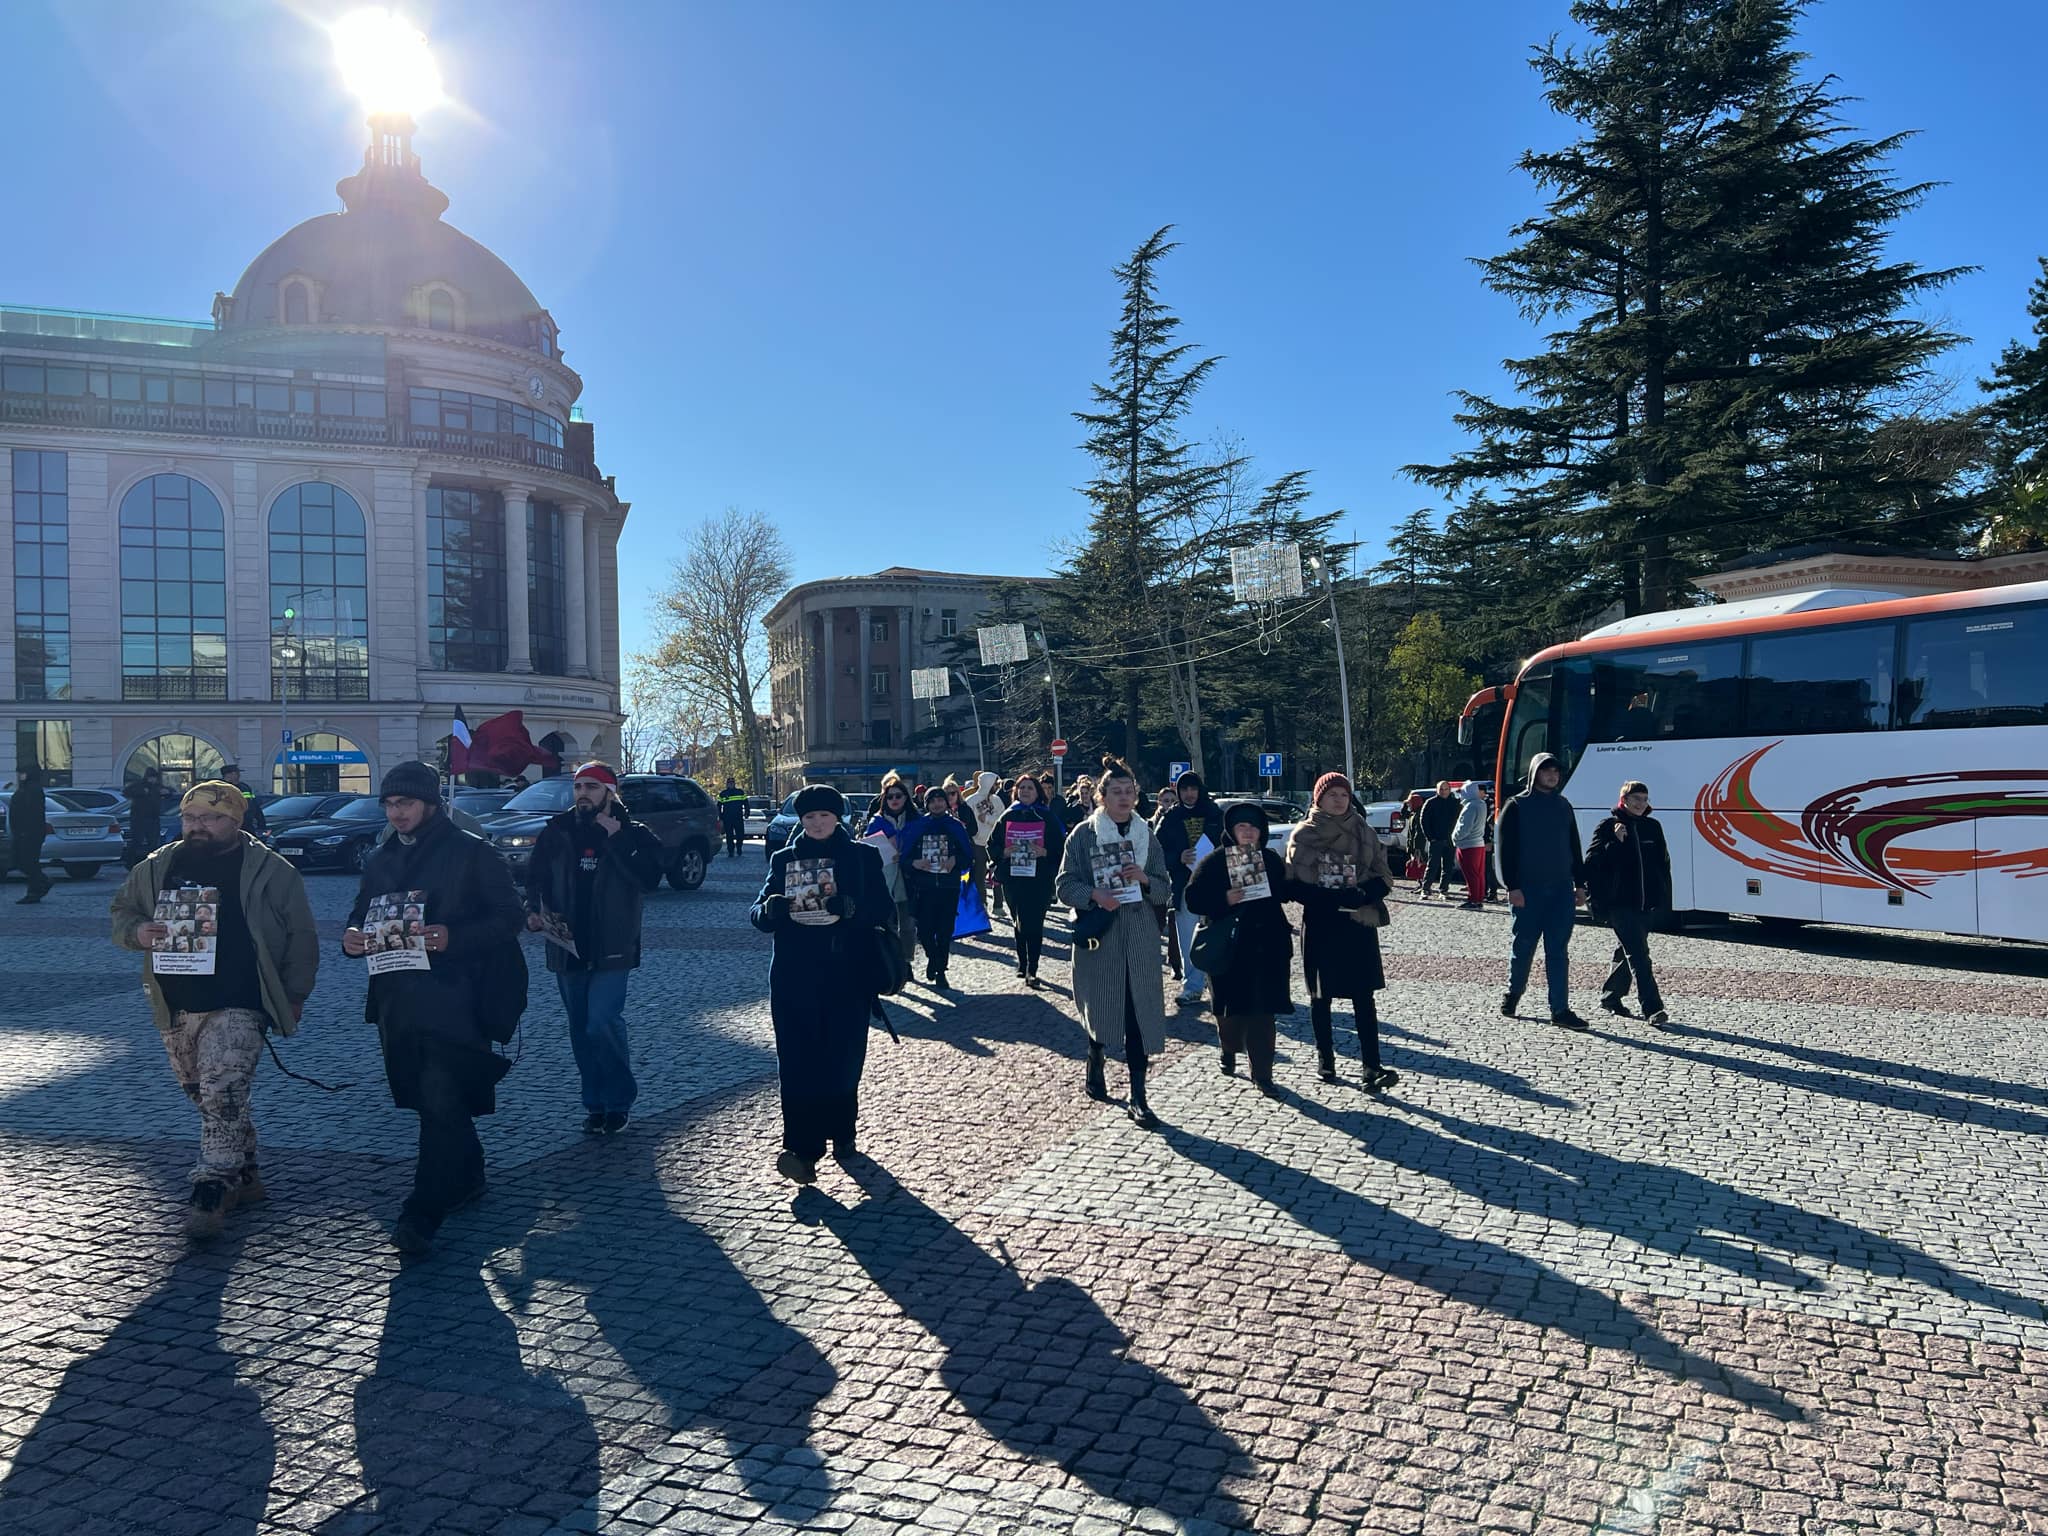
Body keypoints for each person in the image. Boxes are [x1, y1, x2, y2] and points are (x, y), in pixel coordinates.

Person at [109, 780, 319, 1238]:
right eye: (190, 818)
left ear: (235, 820)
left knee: (223, 1089)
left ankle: (211, 1186)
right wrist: (139, 932)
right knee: (204, 1095)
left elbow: (302, 936)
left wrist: (295, 994)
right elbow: (122, 911)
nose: (197, 826)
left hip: (242, 998)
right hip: (178, 1001)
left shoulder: (271, 870)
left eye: (210, 817)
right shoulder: (158, 866)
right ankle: (246, 1175)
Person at [344, 761, 526, 1255]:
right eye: (390, 803)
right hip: (397, 1001)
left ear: (430, 803)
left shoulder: (471, 852)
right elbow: (362, 910)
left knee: (442, 1098)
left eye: (405, 802)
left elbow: (510, 917)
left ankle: (421, 1214)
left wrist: (452, 937)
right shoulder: (381, 857)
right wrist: (352, 937)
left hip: (459, 999)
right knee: (429, 1102)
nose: (397, 812)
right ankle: (468, 1174)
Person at [750, 784, 890, 1183]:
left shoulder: (862, 857)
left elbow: (884, 910)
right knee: (796, 1062)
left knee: (842, 1059)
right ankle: (801, 1149)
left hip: (847, 974)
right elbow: (758, 912)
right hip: (794, 976)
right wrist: (770, 910)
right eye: (809, 817)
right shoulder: (784, 859)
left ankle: (843, 1130)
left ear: (838, 817)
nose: (816, 824)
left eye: (824, 816)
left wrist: (852, 910)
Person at [522, 762, 665, 1135]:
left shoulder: (635, 833)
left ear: (610, 793)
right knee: (581, 1029)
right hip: (566, 944)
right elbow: (534, 879)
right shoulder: (557, 831)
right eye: (578, 786)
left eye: (592, 786)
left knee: (603, 1021)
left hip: (613, 945)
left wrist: (618, 839)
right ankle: (596, 1103)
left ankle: (619, 1101)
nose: (583, 793)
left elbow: (649, 880)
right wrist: (533, 910)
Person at [1056, 757, 1171, 1126]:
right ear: (1102, 797)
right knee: (1102, 1006)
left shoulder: (1146, 835)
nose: (1123, 797)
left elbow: (1165, 887)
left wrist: (1146, 879)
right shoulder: (1083, 835)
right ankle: (1096, 1056)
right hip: (1101, 935)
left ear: (1137, 796)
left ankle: (1139, 1094)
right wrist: (1094, 894)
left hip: (1139, 935)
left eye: (1129, 791)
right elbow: (1064, 884)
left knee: (1138, 1012)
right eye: (1116, 792)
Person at [1182, 802, 1325, 1092]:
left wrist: (1320, 884)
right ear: (1232, 830)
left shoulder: (1271, 860)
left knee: (1263, 1011)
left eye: (1253, 827)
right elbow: (1194, 899)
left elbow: (1288, 891)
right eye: (1242, 827)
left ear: (1262, 831)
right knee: (1229, 1013)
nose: (1248, 832)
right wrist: (1225, 899)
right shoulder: (1214, 861)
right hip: (1229, 949)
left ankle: (1263, 1074)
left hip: (1267, 946)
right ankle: (1229, 1048)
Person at [1283, 773, 1398, 1089]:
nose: (1338, 800)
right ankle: (1326, 1058)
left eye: (1343, 795)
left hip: (1358, 922)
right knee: (1322, 995)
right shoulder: (1304, 835)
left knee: (1364, 995)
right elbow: (1292, 884)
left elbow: (1383, 874)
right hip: (1322, 922)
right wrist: (1328, 897)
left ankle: (1371, 1066)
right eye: (1331, 794)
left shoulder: (1364, 830)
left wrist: (1364, 894)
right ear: (1318, 799)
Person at [1496, 751, 1589, 1030]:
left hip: (1560, 890)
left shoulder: (1564, 806)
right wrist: (1512, 887)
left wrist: (1580, 884)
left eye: (1556, 772)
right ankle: (1513, 993)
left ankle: (1559, 1009)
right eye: (1547, 770)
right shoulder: (1516, 806)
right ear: (1535, 773)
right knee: (1523, 947)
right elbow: (1506, 851)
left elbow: (1574, 847)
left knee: (1558, 951)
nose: (1553, 775)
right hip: (1528, 890)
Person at [1586, 780, 1672, 1026]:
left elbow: (1663, 865)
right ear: (1623, 800)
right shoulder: (1608, 826)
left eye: (1644, 799)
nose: (1640, 804)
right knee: (1639, 956)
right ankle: (1653, 1008)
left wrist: (1664, 897)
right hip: (1619, 903)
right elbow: (1593, 863)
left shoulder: (1652, 827)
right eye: (1635, 799)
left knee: (1628, 951)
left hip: (1646, 903)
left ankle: (1610, 997)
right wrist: (1615, 842)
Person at [1153, 771, 1223, 1009]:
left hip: (1215, 886)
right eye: (1184, 789)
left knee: (1218, 936)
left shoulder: (1215, 814)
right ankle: (1192, 986)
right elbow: (1156, 851)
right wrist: (1178, 858)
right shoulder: (1171, 817)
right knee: (1187, 939)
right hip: (1184, 885)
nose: (1189, 793)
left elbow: (1230, 843)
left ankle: (1218, 984)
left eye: (1193, 788)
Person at [988, 772, 1065, 987]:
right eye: (1022, 788)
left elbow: (1061, 848)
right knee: (1018, 920)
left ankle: (1033, 968)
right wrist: (1004, 852)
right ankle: (1022, 963)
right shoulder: (1008, 816)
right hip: (1013, 878)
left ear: (1037, 792)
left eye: (1030, 788)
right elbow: (991, 845)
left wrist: (1045, 852)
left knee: (1034, 922)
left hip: (1039, 878)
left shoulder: (1046, 816)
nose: (1025, 792)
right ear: (1016, 792)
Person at [898, 785, 973, 989]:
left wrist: (955, 861)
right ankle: (933, 958)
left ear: (946, 802)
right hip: (924, 886)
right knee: (924, 930)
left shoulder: (956, 826)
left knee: (945, 930)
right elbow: (905, 859)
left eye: (940, 799)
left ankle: (941, 970)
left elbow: (968, 856)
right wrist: (915, 863)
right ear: (926, 803)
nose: (937, 804)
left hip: (948, 886)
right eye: (932, 800)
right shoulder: (918, 826)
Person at [863, 773, 919, 971]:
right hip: (885, 878)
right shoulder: (876, 822)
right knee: (887, 925)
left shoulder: (916, 820)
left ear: (906, 797)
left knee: (908, 925)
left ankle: (906, 962)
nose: (894, 800)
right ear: (884, 799)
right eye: (890, 797)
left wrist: (905, 853)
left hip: (909, 878)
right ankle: (892, 962)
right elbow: (868, 850)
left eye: (898, 796)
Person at [959, 771, 1005, 917]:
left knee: (997, 873)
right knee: (979, 875)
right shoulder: (971, 801)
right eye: (995, 784)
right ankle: (982, 904)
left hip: (994, 842)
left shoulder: (997, 800)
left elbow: (1002, 819)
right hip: (977, 842)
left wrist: (988, 819)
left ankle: (998, 905)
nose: (996, 786)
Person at [8, 767, 52, 903]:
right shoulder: (26, 788)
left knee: (28, 862)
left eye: (22, 773)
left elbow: (32, 813)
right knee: (23, 862)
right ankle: (39, 885)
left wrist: (25, 831)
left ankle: (36, 888)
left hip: (29, 833)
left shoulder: (33, 789)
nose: (20, 776)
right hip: (23, 832)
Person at [1418, 781, 1460, 897]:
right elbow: (1424, 821)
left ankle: (1443, 890)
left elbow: (1460, 820)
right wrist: (1430, 837)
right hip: (1436, 839)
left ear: (1449, 790)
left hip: (1450, 839)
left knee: (1448, 866)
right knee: (1432, 865)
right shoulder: (1431, 803)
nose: (1443, 791)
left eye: (1446, 789)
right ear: (1437, 790)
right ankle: (1425, 888)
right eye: (1441, 789)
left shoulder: (1455, 803)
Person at [1452, 780, 1489, 910]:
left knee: (1471, 873)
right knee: (1478, 873)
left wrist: (1455, 837)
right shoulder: (1481, 804)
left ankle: (1473, 900)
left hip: (1468, 844)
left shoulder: (1471, 806)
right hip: (1478, 843)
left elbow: (1465, 827)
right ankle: (1478, 898)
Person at [126, 765, 166, 866]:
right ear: (147, 777)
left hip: (153, 818)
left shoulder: (157, 787)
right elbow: (126, 791)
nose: (153, 779)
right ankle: (131, 863)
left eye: (154, 778)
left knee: (153, 843)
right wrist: (141, 792)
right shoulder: (139, 785)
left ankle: (152, 864)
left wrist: (167, 792)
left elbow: (170, 791)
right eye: (151, 777)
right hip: (139, 819)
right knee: (137, 842)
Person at [219, 764, 267, 838]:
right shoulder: (221, 788)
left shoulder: (245, 787)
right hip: (231, 826)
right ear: (229, 774)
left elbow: (254, 806)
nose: (239, 775)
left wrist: (261, 823)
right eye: (236, 773)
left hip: (247, 825)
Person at [718, 776, 748, 858]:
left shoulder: (740, 792)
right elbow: (718, 806)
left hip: (738, 817)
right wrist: (720, 817)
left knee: (740, 834)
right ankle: (730, 851)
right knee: (729, 836)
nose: (731, 784)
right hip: (727, 818)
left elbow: (746, 803)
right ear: (727, 784)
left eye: (732, 783)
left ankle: (739, 848)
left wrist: (747, 813)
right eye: (729, 783)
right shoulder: (723, 794)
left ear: (734, 784)